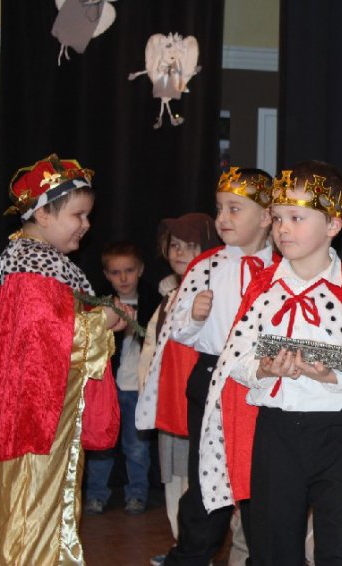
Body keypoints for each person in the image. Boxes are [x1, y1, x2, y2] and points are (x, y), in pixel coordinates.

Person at [209, 161, 342, 565]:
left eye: (296, 217)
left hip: (337, 433)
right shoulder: (263, 287)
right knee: (273, 546)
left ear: (333, 225)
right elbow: (235, 359)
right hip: (276, 433)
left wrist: (330, 373)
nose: (283, 229)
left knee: (341, 545)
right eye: (277, 218)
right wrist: (263, 369)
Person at [0, 154, 126, 565]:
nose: (86, 224)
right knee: (33, 513)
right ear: (42, 214)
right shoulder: (32, 272)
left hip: (50, 414)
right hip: (35, 420)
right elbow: (50, 342)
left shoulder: (42, 266)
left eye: (88, 215)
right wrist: (103, 321)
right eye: (78, 215)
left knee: (52, 505)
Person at [136, 168, 275, 565]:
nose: (223, 218)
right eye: (219, 209)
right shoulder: (206, 266)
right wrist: (195, 317)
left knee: (261, 480)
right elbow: (178, 333)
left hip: (262, 384)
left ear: (266, 217)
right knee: (206, 479)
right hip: (212, 379)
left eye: (235, 209)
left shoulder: (282, 270)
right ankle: (191, 555)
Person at [137, 213, 219, 540]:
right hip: (170, 401)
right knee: (173, 475)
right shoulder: (169, 296)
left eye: (190, 245)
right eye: (174, 245)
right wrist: (148, 389)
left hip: (198, 404)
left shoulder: (215, 293)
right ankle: (181, 542)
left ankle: (195, 547)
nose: (180, 252)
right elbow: (151, 347)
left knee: (198, 476)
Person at [85, 241, 157, 516]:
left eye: (129, 270)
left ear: (141, 270)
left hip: (138, 388)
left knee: (137, 448)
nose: (123, 278)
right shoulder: (100, 305)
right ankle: (96, 494)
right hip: (108, 388)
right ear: (106, 275)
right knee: (101, 446)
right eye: (116, 272)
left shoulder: (153, 302)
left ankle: (136, 494)